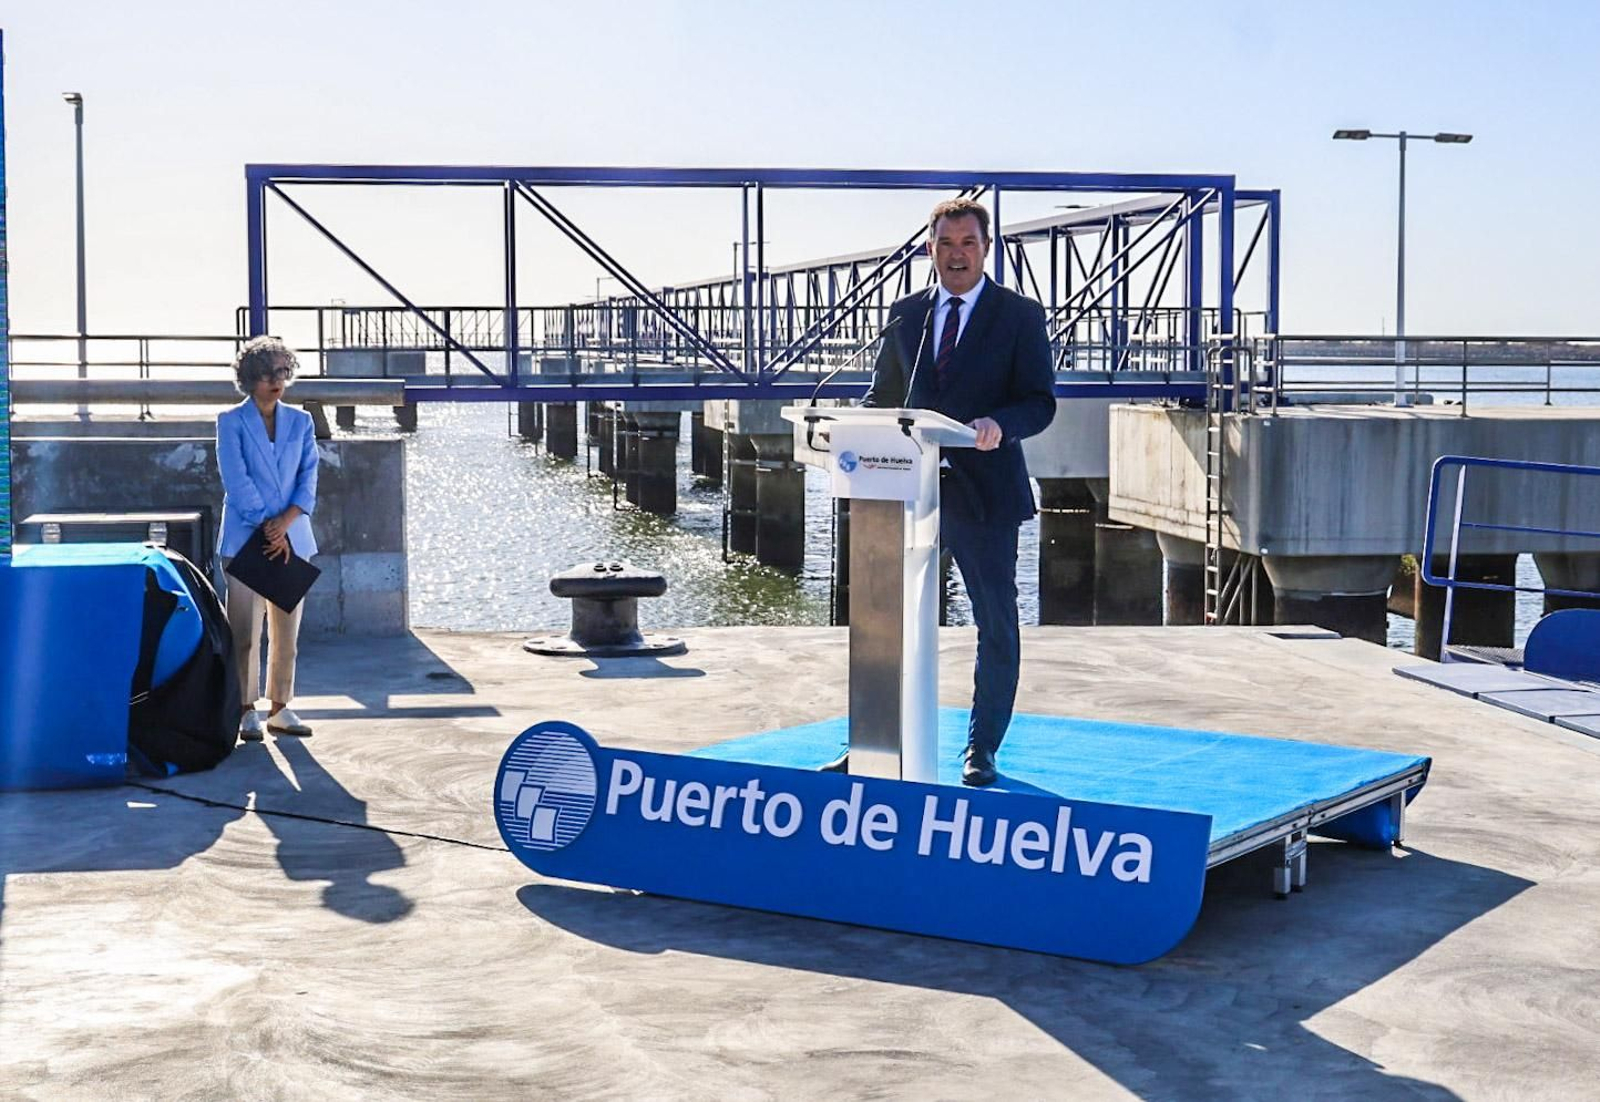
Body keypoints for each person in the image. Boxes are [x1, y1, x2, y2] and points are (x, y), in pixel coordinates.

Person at [840, 197, 1056, 786]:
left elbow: (1040, 402)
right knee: (891, 621)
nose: (956, 254)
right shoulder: (904, 315)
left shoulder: (1019, 316)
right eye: (945, 244)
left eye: (967, 243)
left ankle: (981, 749)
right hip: (906, 493)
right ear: (930, 250)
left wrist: (999, 425)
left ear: (986, 249)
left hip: (984, 494)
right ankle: (878, 740)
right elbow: (883, 397)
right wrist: (848, 427)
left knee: (996, 624)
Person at [217, 335, 320, 741]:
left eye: (282, 371)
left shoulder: (301, 421)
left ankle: (281, 707)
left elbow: (309, 475)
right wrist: (268, 525)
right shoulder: (231, 422)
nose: (276, 380)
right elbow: (236, 480)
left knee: (287, 631)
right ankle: (246, 709)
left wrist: (288, 522)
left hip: (294, 538)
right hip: (246, 539)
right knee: (244, 631)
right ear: (248, 379)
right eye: (266, 373)